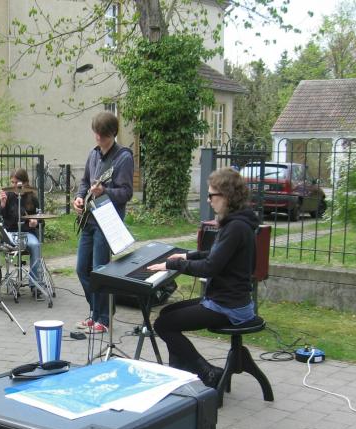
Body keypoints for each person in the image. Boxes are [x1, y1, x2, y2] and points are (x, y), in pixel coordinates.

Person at [147, 167, 260, 388]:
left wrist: (173, 264)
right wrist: (187, 255)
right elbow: (217, 255)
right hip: (228, 300)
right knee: (168, 313)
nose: (208, 200)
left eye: (211, 195)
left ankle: (207, 372)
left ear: (226, 196)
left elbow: (210, 267)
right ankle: (181, 372)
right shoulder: (238, 222)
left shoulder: (235, 227)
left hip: (229, 306)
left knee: (163, 325)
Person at [73, 111, 134, 334]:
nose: (98, 138)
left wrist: (105, 191)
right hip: (89, 218)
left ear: (112, 133)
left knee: (100, 269)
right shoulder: (94, 154)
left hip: (107, 220)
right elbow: (84, 182)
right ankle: (95, 312)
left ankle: (104, 318)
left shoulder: (123, 158)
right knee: (82, 269)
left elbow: (126, 193)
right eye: (96, 133)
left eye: (102, 134)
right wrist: (79, 197)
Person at [0, 168, 43, 296]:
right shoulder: (8, 196)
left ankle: (35, 285)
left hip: (27, 234)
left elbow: (41, 219)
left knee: (36, 245)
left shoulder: (32, 198)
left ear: (25, 183)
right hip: (10, 233)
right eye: (12, 182)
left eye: (17, 183)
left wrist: (35, 222)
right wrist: (2, 204)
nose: (14, 186)